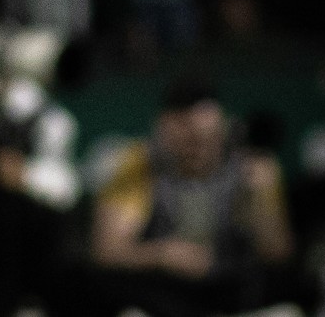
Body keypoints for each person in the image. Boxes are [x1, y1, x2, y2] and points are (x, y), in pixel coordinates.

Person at [86, 79, 295, 317]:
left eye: (208, 138)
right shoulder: (139, 162)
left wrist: (257, 197)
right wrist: (163, 254)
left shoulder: (253, 164)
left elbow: (277, 253)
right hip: (163, 288)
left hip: (232, 286)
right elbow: (107, 251)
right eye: (187, 140)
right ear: (164, 132)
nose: (197, 149)